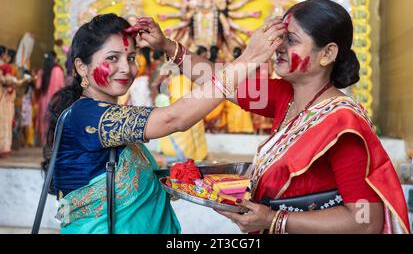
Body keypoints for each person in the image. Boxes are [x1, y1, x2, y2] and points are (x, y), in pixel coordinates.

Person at [142, 0, 410, 234]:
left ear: (327, 53)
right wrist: (166, 45)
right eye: (280, 38)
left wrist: (273, 219)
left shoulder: (343, 125)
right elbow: (220, 80)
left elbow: (366, 222)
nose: (278, 47)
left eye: (291, 40)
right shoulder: (287, 94)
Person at [43, 13, 283, 234]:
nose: (126, 68)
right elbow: (173, 118)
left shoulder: (107, 112)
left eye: (131, 57)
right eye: (112, 58)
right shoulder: (86, 116)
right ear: (81, 66)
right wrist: (249, 59)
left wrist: (202, 178)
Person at [36, 50, 65, 146]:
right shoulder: (58, 70)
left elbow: (38, 86)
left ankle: (44, 142)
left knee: (44, 120)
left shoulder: (43, 70)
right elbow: (62, 86)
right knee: (53, 120)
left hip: (44, 99)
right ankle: (53, 142)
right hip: (55, 99)